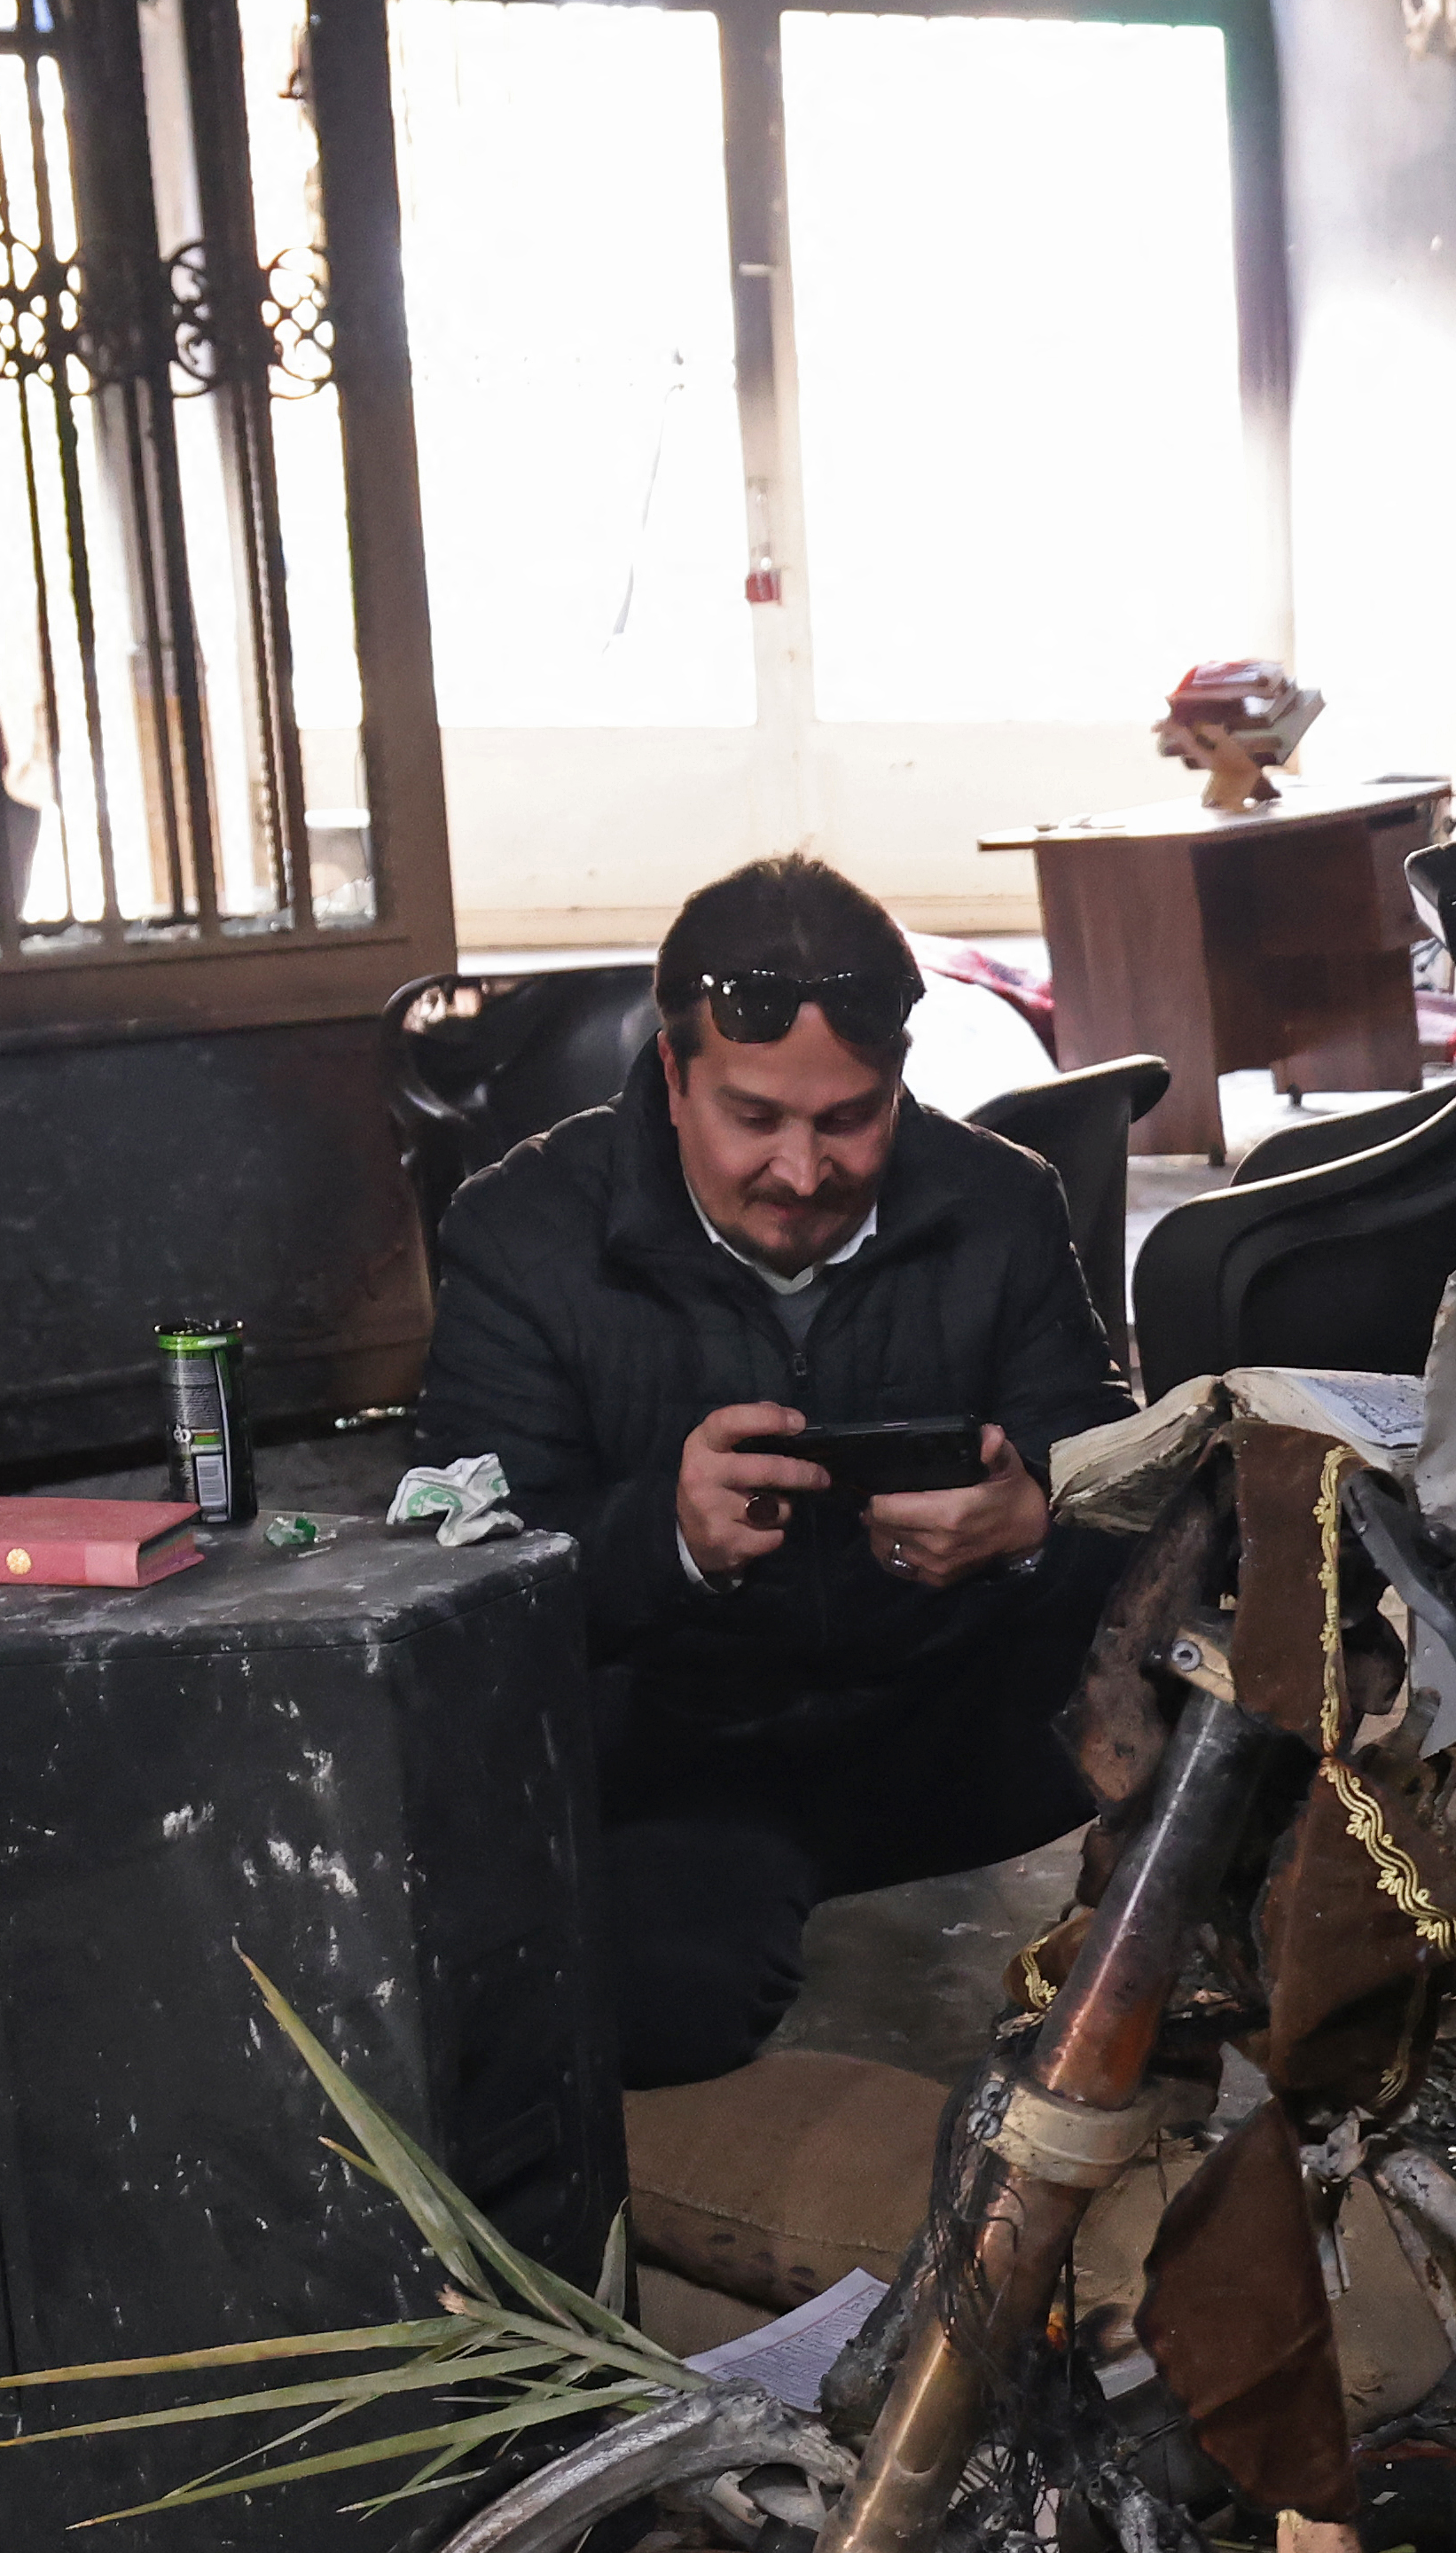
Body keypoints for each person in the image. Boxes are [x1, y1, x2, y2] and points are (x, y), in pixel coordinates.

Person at [415, 855, 1137, 2090]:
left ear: (900, 1080)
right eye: (755, 1118)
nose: (803, 1175)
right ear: (672, 1075)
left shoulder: (1004, 1203)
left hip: (950, 1716)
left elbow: (1123, 1474)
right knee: (640, 2019)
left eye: (849, 1117)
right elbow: (459, 1572)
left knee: (1269, 1712)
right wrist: (667, 1538)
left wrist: (1030, 1519)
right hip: (686, 1748)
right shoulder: (520, 1229)